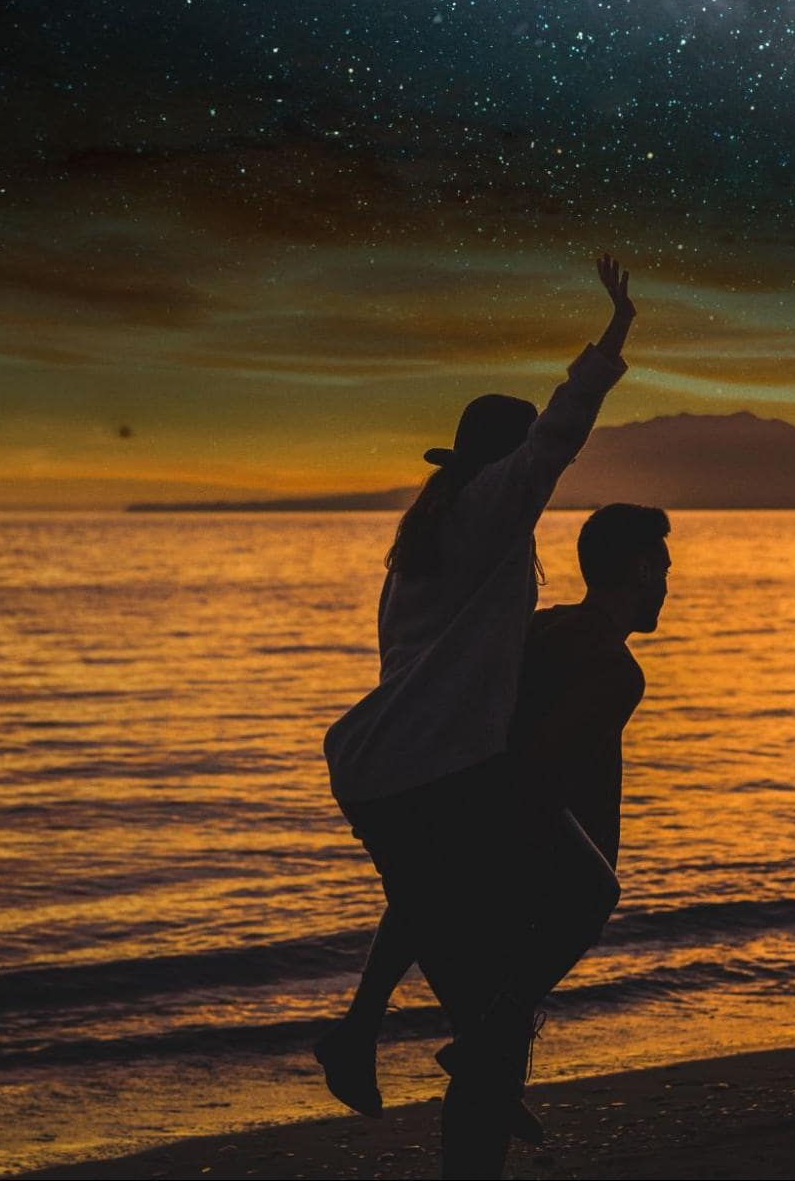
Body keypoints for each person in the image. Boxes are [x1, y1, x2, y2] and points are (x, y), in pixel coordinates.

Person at [322, 256, 637, 1178]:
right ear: (500, 467)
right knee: (587, 893)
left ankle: (369, 1037)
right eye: (520, 460)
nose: (532, 474)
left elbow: (437, 659)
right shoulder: (491, 514)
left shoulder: (416, 548)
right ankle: (482, 1051)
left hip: (374, 773)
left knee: (429, 903)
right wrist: (614, 334)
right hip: (442, 766)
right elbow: (559, 438)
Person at [317, 502, 673, 1136]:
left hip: (465, 842)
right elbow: (540, 773)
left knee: (426, 888)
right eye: (663, 570)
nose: (668, 587)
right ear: (642, 569)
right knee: (500, 1036)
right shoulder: (614, 670)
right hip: (515, 877)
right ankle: (476, 1049)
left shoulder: (540, 628)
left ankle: (373, 1028)